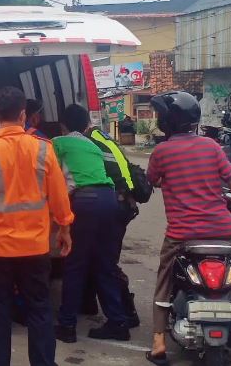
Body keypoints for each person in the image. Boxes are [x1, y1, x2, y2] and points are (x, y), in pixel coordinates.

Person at [145, 91, 231, 366]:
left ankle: (158, 342)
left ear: (168, 121)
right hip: (221, 231)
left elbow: (152, 180)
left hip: (182, 236)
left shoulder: (161, 152)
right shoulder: (212, 147)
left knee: (164, 280)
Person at [0, 86, 74, 366]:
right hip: (35, 249)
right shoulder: (44, 150)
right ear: (24, 114)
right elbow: (59, 195)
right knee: (40, 310)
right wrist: (65, 229)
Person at [52, 104, 131, 344]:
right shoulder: (92, 145)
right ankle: (118, 322)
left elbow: (51, 174)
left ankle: (66, 325)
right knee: (104, 265)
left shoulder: (58, 143)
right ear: (86, 124)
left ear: (62, 124)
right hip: (109, 201)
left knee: (75, 265)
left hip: (85, 202)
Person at [81, 119, 142, 328]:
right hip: (123, 202)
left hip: (118, 203)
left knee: (104, 263)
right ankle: (91, 303)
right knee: (97, 257)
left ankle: (123, 316)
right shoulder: (101, 136)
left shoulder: (90, 141)